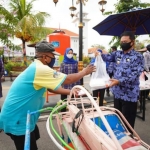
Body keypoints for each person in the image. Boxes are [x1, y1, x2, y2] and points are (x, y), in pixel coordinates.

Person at [0, 40, 95, 150]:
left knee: (33, 138)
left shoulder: (36, 67)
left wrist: (71, 92)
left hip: (25, 116)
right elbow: (68, 79)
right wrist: (84, 72)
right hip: (18, 119)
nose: (53, 59)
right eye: (52, 56)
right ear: (45, 57)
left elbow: (51, 88)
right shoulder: (40, 69)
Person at [101, 31, 144, 130]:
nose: (122, 43)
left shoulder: (138, 56)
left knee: (127, 122)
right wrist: (99, 51)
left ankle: (129, 142)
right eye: (121, 41)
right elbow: (106, 57)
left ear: (132, 42)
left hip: (129, 95)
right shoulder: (117, 54)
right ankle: (119, 140)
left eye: (125, 41)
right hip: (117, 93)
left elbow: (134, 74)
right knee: (118, 119)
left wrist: (119, 81)